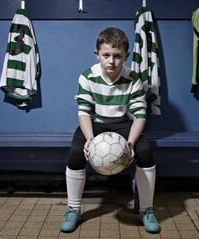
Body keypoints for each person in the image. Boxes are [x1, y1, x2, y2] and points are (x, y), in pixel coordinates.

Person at [60, 27, 160, 234]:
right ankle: (73, 208)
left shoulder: (133, 79)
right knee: (76, 154)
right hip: (94, 124)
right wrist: (89, 140)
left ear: (126, 56)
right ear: (97, 55)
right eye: (106, 55)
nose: (111, 61)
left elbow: (140, 115)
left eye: (117, 56)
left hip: (124, 124)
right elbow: (84, 112)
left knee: (145, 152)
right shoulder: (87, 76)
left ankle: (147, 209)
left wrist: (130, 143)